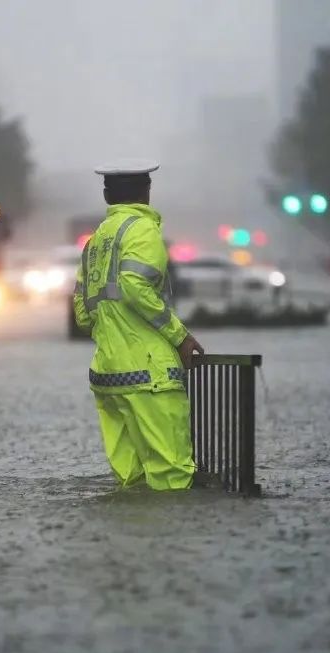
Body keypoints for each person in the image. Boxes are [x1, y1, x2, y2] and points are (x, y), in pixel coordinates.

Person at [73, 159, 204, 490]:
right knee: (172, 476)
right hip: (150, 375)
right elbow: (134, 285)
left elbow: (82, 312)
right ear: (146, 192)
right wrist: (180, 336)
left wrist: (112, 334)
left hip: (108, 377)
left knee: (131, 482)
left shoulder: (95, 242)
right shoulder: (142, 231)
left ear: (107, 196)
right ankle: (172, 543)